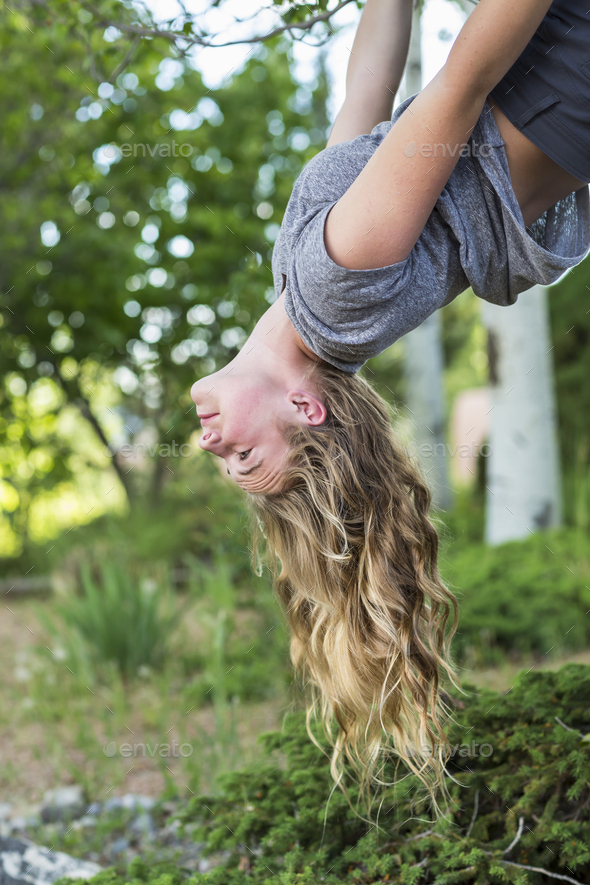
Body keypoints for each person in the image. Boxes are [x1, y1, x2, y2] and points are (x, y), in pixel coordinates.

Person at [191, 0, 590, 820]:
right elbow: (460, 85)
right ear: (303, 406)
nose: (212, 450)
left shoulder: (302, 287)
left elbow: (362, 101)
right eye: (245, 458)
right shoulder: (336, 290)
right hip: (558, 74)